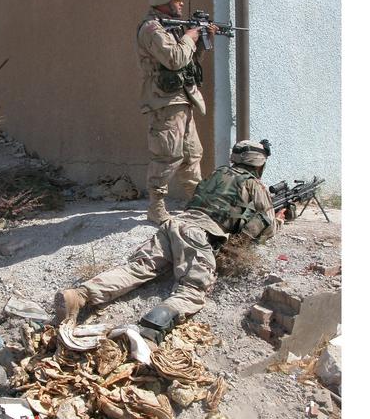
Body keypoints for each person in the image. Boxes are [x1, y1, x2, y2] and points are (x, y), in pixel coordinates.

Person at [55, 139, 279, 341]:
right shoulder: (254, 184)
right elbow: (266, 225)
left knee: (137, 268)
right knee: (192, 290)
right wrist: (279, 218)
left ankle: (80, 295)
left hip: (174, 224)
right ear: (259, 164)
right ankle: (153, 328)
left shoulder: (217, 174)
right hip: (199, 235)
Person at [136, 0, 218, 225]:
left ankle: (196, 202)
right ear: (163, 0)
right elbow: (173, 59)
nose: (181, 3)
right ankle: (156, 206)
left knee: (192, 153)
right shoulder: (152, 29)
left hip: (183, 98)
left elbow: (188, 63)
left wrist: (203, 41)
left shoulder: (172, 26)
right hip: (165, 100)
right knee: (167, 154)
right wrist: (190, 37)